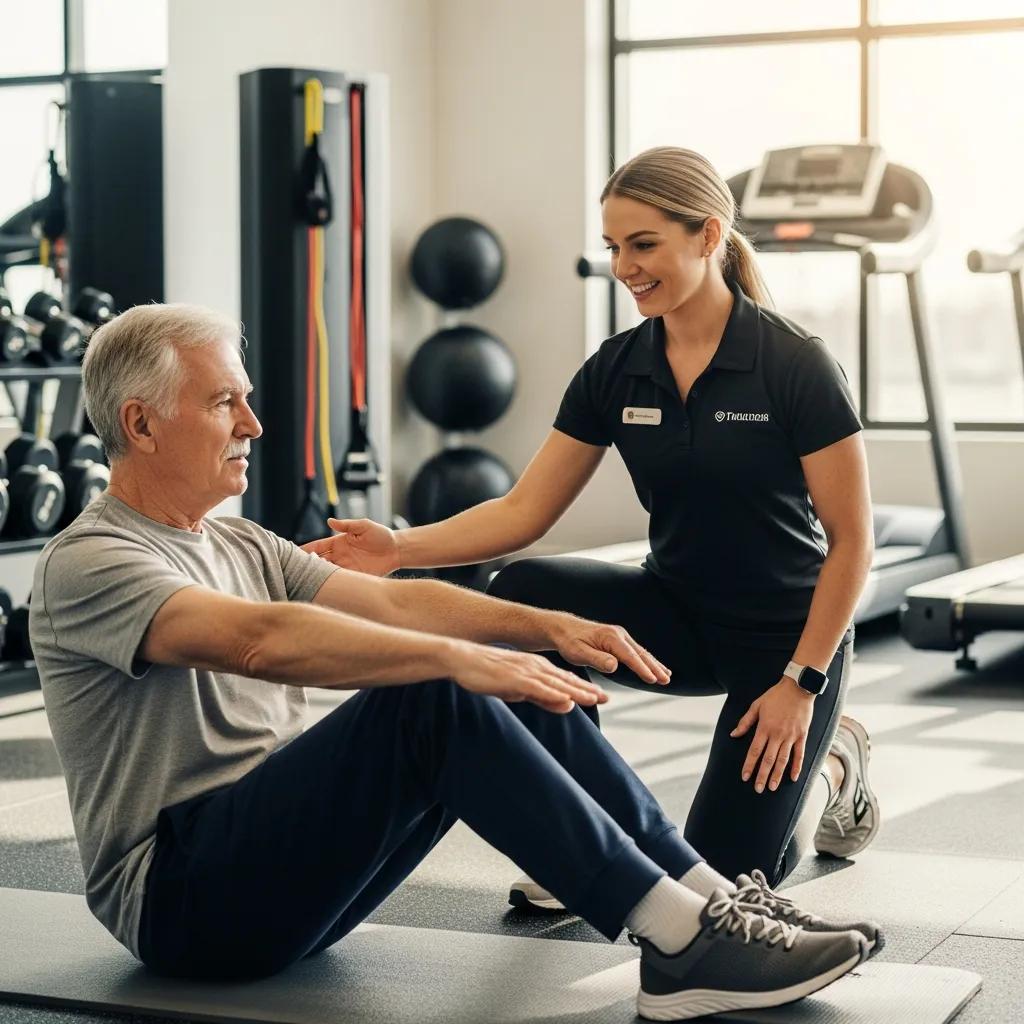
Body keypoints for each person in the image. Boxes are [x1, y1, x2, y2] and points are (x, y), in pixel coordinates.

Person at [29, 304, 879, 1022]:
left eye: (247, 402)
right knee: (439, 689)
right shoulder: (92, 560)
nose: (254, 425)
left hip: (273, 872)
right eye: (225, 404)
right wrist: (464, 662)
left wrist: (542, 626)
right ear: (140, 424)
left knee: (487, 677)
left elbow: (397, 599)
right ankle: (677, 943)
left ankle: (706, 904)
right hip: (182, 903)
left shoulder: (242, 540)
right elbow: (260, 640)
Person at [304, 146, 882, 914]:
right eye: (614, 247)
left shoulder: (793, 363)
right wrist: (398, 549)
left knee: (725, 893)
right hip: (673, 616)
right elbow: (522, 513)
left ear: (709, 237)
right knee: (524, 592)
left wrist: (803, 686)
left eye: (644, 245)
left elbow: (852, 541)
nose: (624, 267)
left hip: (787, 639)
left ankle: (832, 761)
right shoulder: (617, 369)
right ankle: (586, 834)